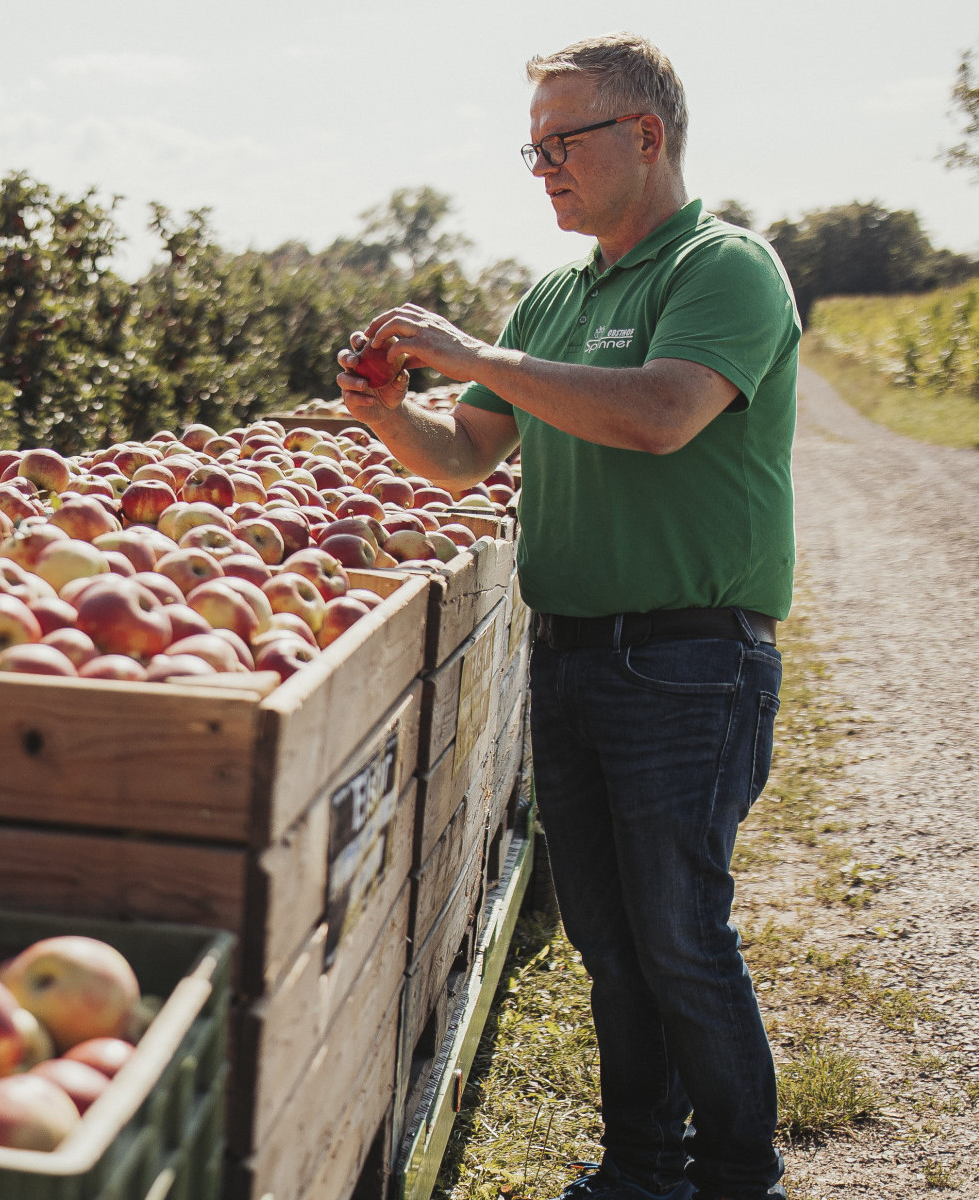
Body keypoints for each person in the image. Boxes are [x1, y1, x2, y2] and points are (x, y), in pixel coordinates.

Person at [334, 34, 798, 1200]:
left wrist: (477, 350)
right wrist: (390, 412)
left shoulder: (723, 268)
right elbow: (462, 454)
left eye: (561, 142)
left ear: (645, 138)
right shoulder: (554, 293)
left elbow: (661, 415)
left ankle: (741, 1177)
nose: (540, 166)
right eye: (530, 147)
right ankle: (640, 1172)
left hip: (691, 659)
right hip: (578, 650)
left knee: (681, 938)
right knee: (610, 940)